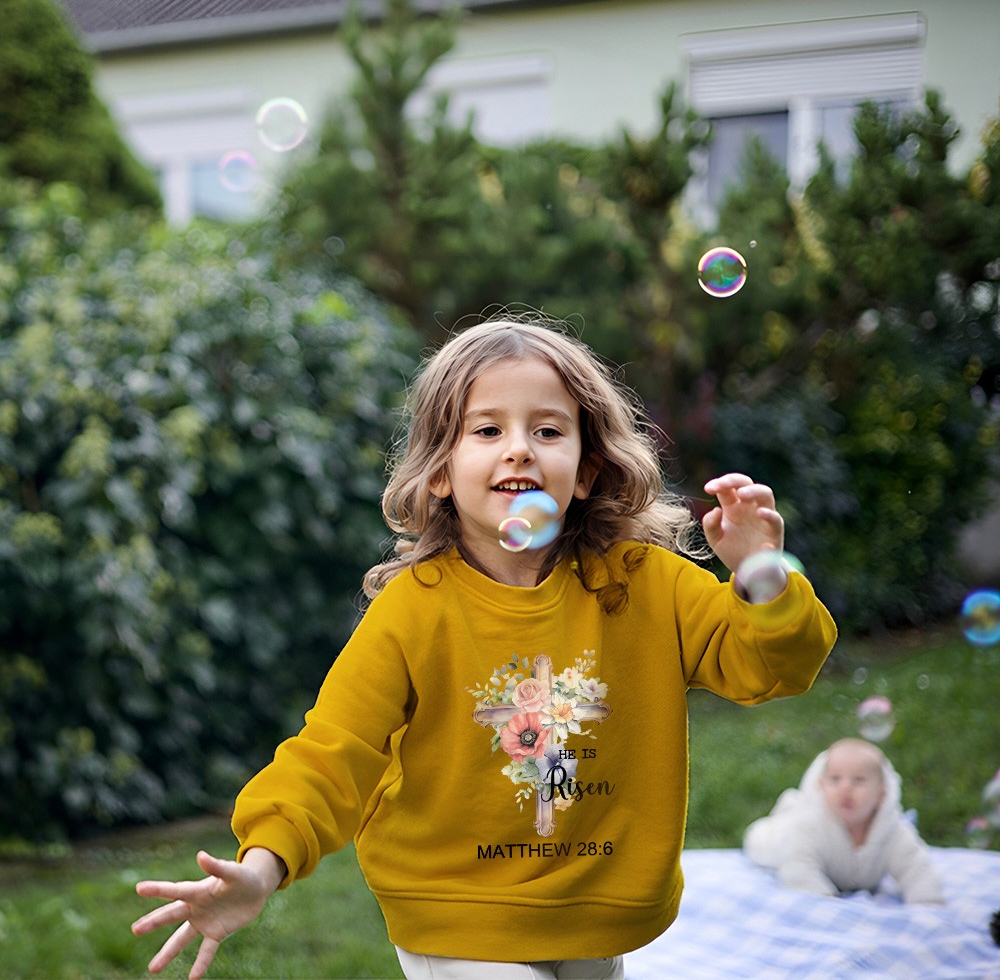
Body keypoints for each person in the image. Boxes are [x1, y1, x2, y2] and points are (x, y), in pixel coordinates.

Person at [131, 316, 838, 980]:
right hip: (455, 910)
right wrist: (261, 866)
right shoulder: (416, 610)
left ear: (587, 469)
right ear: (439, 470)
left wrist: (759, 574)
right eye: (488, 428)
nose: (519, 447)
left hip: (600, 913)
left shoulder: (644, 585)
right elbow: (333, 754)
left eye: (549, 430)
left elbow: (770, 669)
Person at [743, 737, 944, 904]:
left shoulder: (893, 832)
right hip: (779, 839)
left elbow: (916, 868)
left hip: (843, 873)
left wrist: (928, 903)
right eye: (835, 779)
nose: (845, 788)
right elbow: (798, 868)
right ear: (820, 785)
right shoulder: (809, 826)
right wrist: (825, 901)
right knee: (762, 839)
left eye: (858, 780)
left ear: (882, 793)